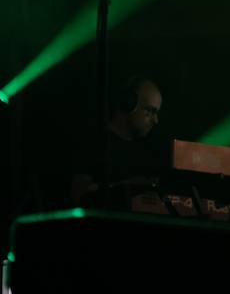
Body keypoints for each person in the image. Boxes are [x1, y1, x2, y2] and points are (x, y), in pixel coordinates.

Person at [70, 75, 165, 207]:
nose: (155, 120)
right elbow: (79, 195)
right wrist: (125, 188)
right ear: (129, 102)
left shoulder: (149, 152)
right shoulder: (95, 142)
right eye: (150, 111)